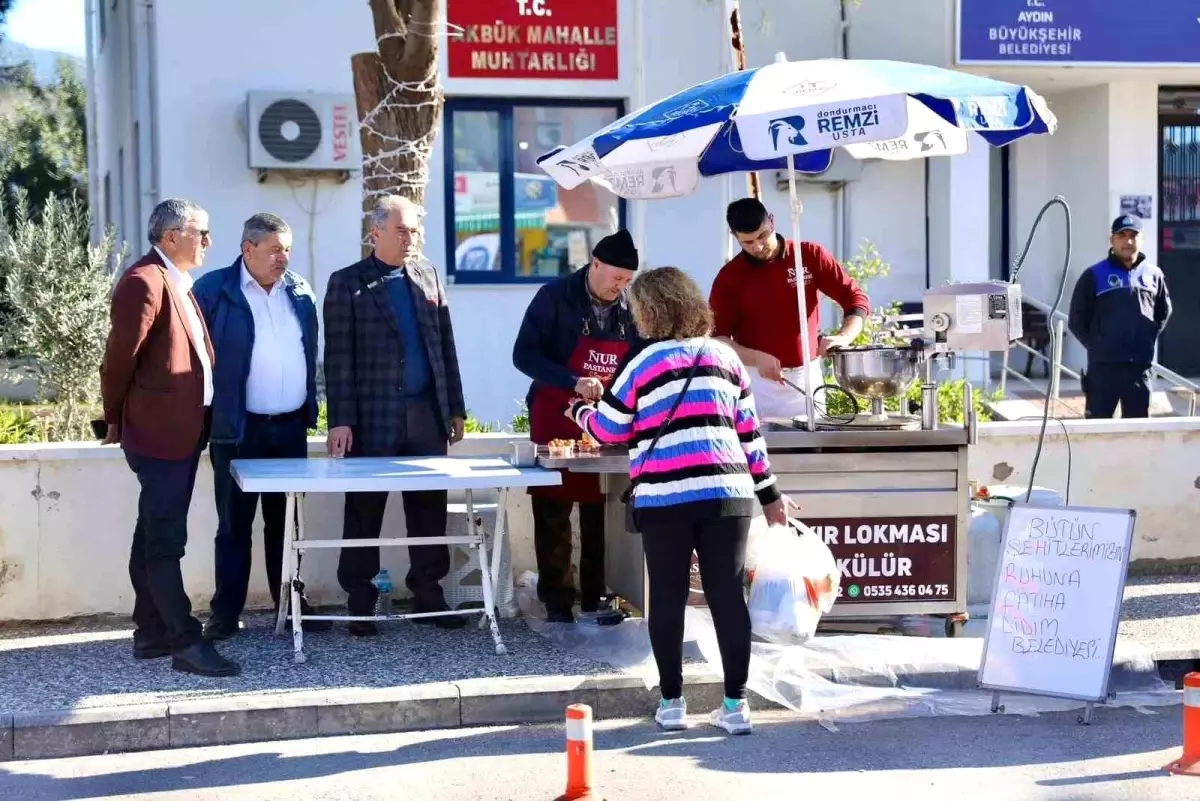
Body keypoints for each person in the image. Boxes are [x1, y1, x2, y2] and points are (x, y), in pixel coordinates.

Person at [565, 266, 794, 736]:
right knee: (728, 597)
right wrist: (770, 496)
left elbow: (610, 430)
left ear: (649, 312)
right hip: (727, 494)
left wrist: (580, 412)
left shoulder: (644, 363)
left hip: (666, 496)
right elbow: (750, 436)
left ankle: (672, 704)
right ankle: (736, 706)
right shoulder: (727, 360)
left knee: (667, 598)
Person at [99, 198, 239, 677]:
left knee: (150, 534)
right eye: (202, 232)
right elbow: (119, 362)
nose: (208, 242)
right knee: (165, 542)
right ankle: (184, 641)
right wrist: (114, 419)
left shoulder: (177, 282)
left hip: (182, 432)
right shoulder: (143, 282)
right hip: (158, 436)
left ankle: (151, 633)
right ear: (171, 236)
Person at [323, 195, 467, 636]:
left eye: (415, 231)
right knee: (364, 510)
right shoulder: (347, 282)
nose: (410, 239)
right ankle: (361, 600)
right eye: (402, 231)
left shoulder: (427, 277)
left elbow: (445, 347)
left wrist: (455, 408)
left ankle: (429, 592)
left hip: (426, 415)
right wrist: (340, 419)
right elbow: (338, 358)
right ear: (376, 233)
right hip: (372, 418)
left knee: (428, 508)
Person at [192, 213, 330, 640]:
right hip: (237, 430)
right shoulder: (213, 290)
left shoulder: (300, 291)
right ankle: (225, 612)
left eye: (286, 248)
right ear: (247, 248)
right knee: (233, 524)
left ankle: (289, 604)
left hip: (289, 428)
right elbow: (193, 360)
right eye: (273, 249)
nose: (282, 257)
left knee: (286, 523)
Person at [512, 229, 642, 624]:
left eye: (626, 281)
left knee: (598, 509)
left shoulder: (630, 308)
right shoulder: (553, 298)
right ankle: (556, 599)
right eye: (615, 277)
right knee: (553, 508)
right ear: (595, 264)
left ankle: (596, 595)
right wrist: (572, 381)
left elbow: (638, 358)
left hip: (607, 418)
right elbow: (523, 355)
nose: (619, 287)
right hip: (555, 412)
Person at [709, 197, 871, 418]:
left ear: (772, 222)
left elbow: (856, 299)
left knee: (815, 449)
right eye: (747, 242)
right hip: (757, 383)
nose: (758, 246)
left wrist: (844, 336)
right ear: (735, 237)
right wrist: (755, 358)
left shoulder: (810, 256)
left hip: (809, 375)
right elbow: (718, 340)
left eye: (762, 235)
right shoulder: (729, 277)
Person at [1068, 214, 1172, 419]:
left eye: (1134, 236)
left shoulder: (1154, 275)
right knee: (1096, 431)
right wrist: (1099, 344)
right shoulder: (1094, 275)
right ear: (1112, 240)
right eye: (1122, 235)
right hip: (1103, 369)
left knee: (1138, 432)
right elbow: (1076, 319)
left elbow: (1163, 312)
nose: (1128, 241)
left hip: (1139, 368)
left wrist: (1146, 338)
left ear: (1142, 239)